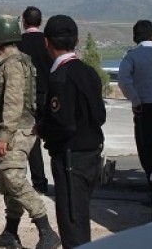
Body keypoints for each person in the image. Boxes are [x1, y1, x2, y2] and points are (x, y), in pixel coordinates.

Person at [0, 15, 60, 249]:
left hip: (17, 131)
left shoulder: (14, 65)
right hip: (13, 129)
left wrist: (4, 135)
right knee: (7, 184)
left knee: (14, 179)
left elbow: (13, 101)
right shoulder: (9, 62)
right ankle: (10, 232)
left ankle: (46, 231)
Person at [35, 15, 105, 248]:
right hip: (92, 156)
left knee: (72, 225)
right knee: (80, 218)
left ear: (47, 43)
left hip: (71, 160)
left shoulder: (60, 77)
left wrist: (43, 129)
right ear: (75, 40)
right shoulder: (89, 72)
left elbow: (64, 124)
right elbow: (100, 116)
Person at [117, 20, 152, 219]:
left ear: (135, 37)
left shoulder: (131, 57)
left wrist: (135, 100)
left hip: (146, 110)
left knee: (147, 150)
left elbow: (124, 81)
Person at [16, 6, 51, 195]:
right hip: (49, 94)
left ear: (23, 21)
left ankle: (39, 183)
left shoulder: (18, 43)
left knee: (32, 140)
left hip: (27, 96)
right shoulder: (48, 41)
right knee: (55, 138)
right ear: (40, 21)